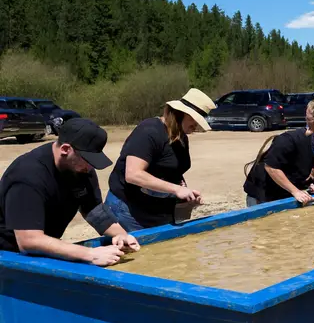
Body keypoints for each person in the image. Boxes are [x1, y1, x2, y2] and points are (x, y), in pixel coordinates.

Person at [0, 119, 140, 266]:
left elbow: (94, 210)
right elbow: (29, 240)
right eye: (88, 160)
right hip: (7, 254)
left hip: (41, 248)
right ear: (65, 149)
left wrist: (120, 234)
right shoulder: (27, 176)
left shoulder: (81, 167)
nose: (91, 167)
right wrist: (90, 254)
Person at [106, 89, 215, 231]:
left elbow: (171, 171)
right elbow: (133, 174)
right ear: (181, 113)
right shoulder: (149, 131)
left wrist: (185, 194)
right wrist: (175, 189)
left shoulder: (181, 138)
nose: (197, 125)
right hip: (129, 208)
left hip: (157, 209)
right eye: (194, 119)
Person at [243, 99, 314, 205]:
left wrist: (309, 184)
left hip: (282, 191)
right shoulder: (288, 139)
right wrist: (295, 191)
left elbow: (297, 170)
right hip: (262, 192)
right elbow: (271, 167)